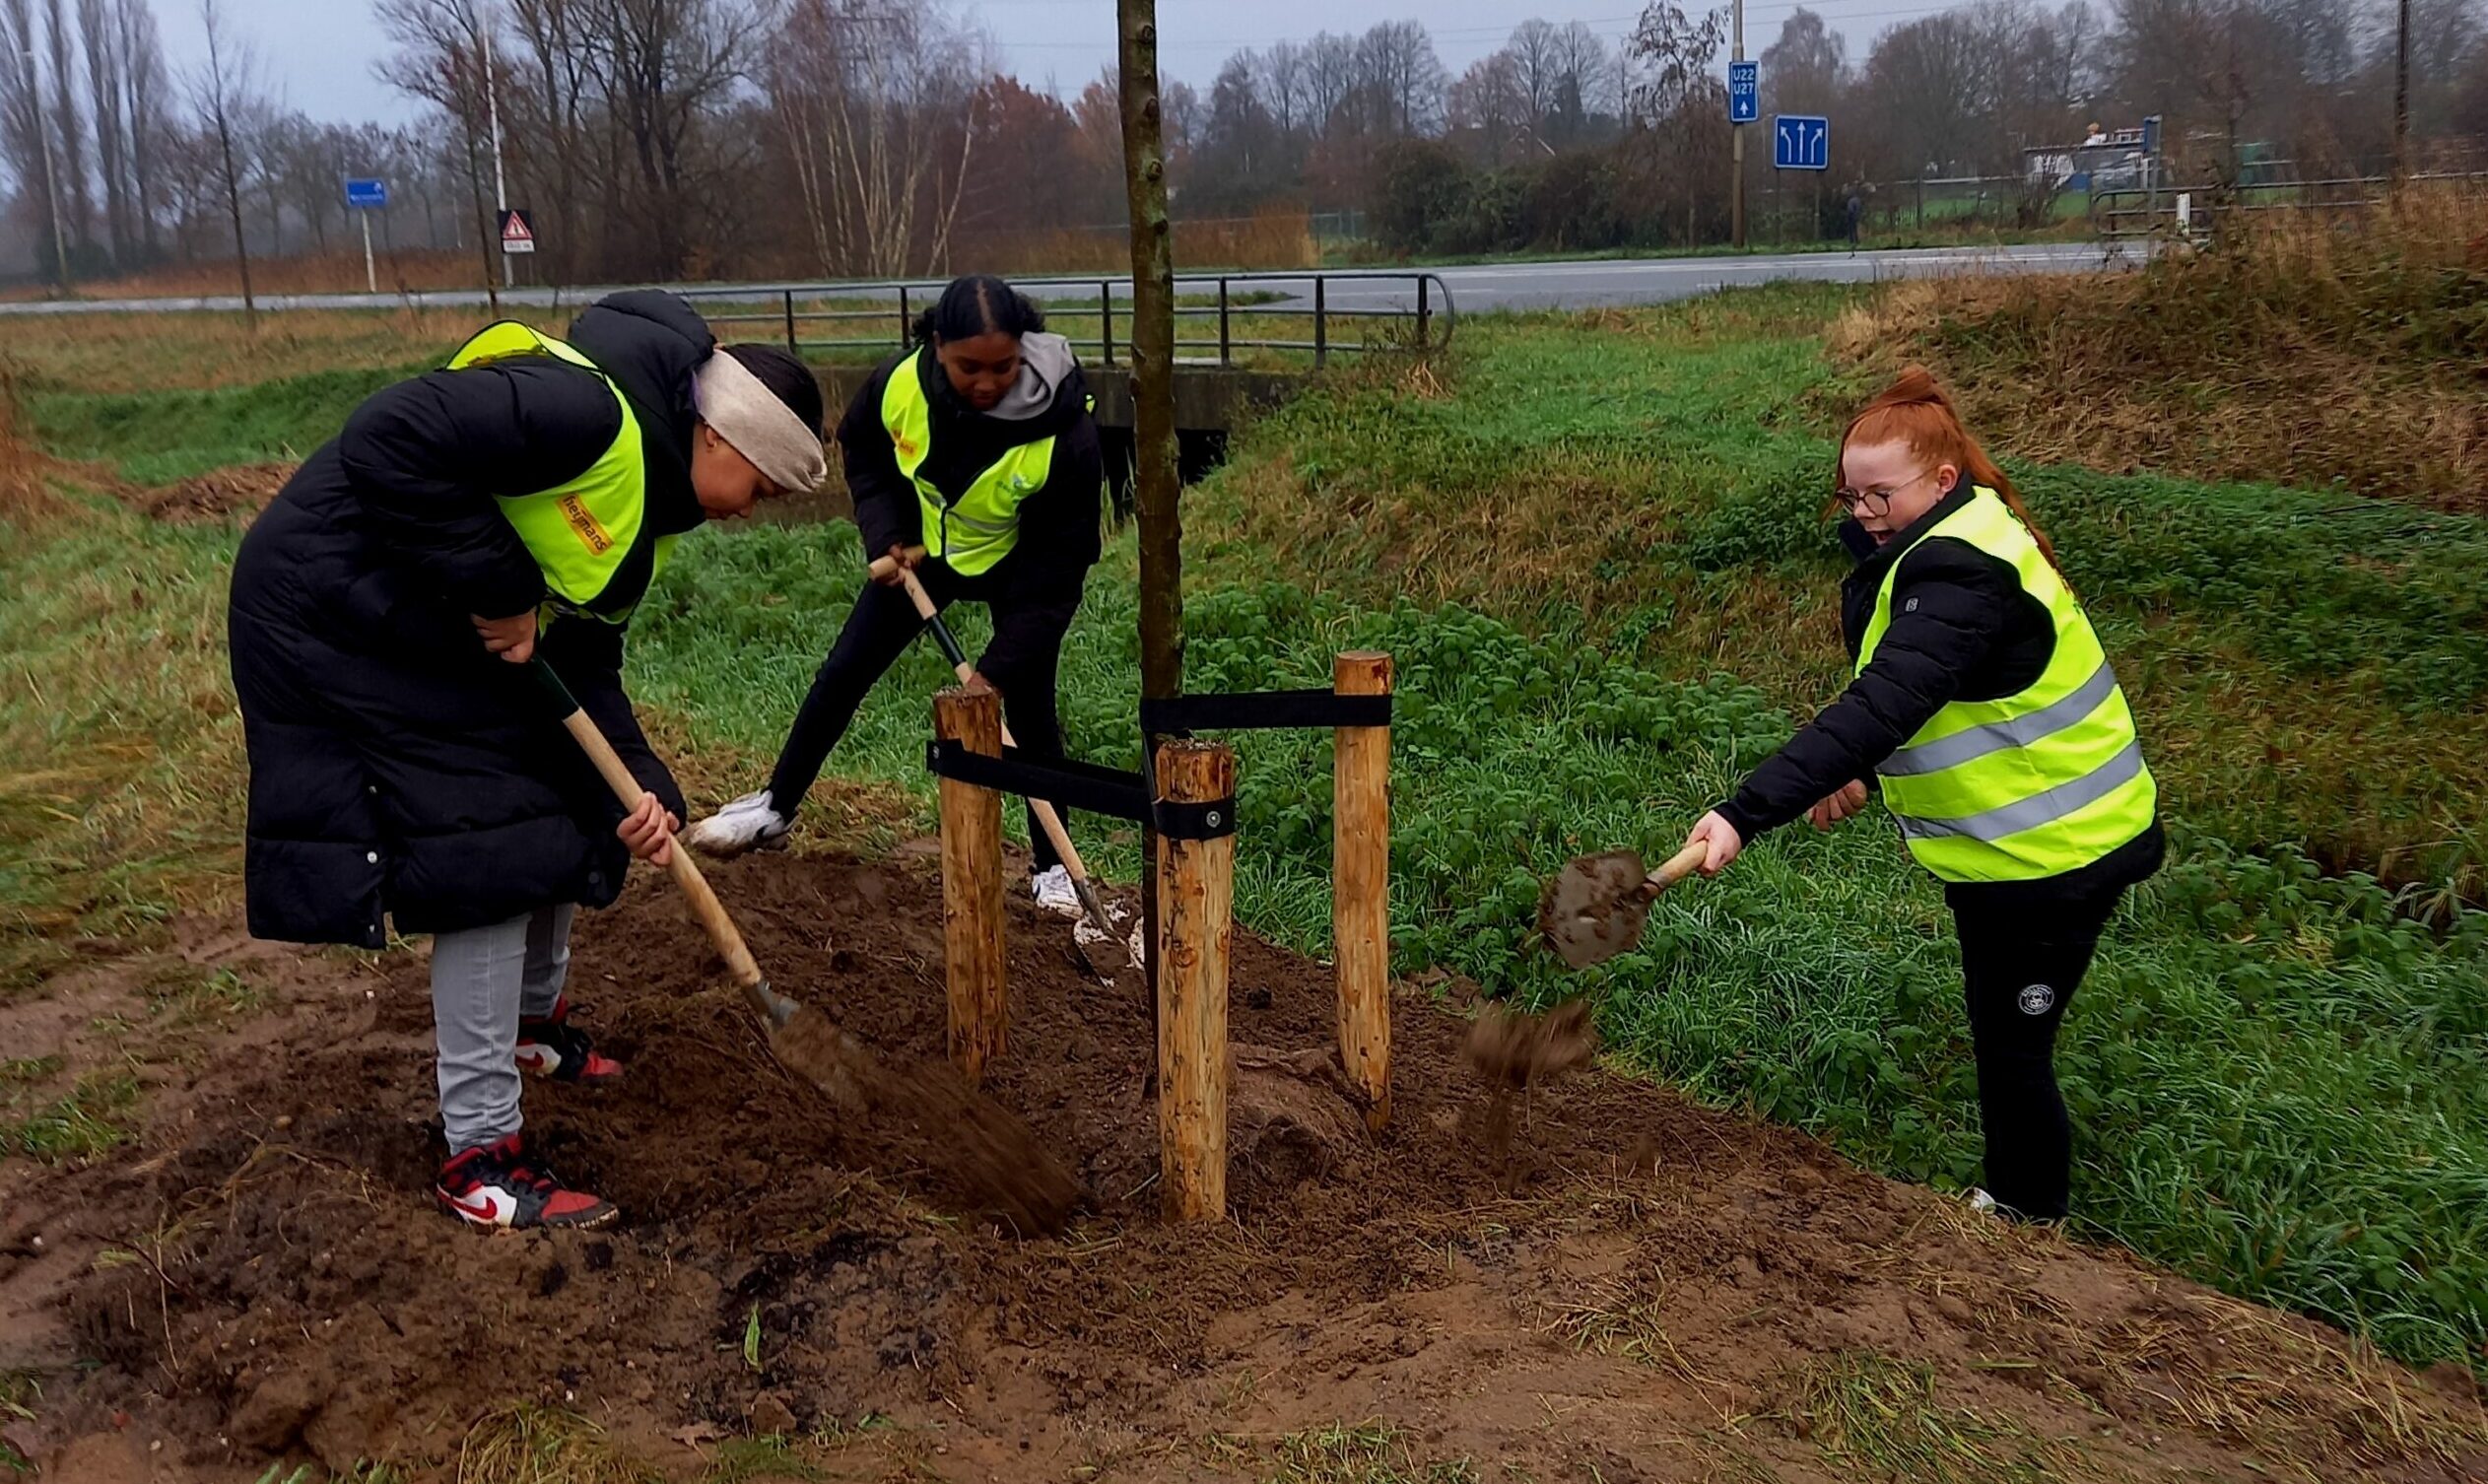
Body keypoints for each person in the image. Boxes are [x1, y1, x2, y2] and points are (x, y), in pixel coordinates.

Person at [228, 291, 827, 1230]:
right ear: (722, 436)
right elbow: (386, 436)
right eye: (763, 488)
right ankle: (480, 1159)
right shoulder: (581, 411)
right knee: (488, 839)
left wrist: (643, 787)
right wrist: (504, 587)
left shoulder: (643, 519)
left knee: (566, 795)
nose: (755, 512)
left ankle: (528, 1031)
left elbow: (583, 666)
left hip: (418, 616)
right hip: (330, 605)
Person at [1682, 367, 2164, 1224]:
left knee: (2013, 1048)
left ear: (1942, 480)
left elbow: (1881, 704)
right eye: (1849, 496)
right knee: (2003, 1034)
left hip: (2056, 858)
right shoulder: (1959, 534)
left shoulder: (1957, 577)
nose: (1863, 514)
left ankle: (2026, 1213)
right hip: (2023, 850)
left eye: (1880, 496)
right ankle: (2018, 1199)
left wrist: (1743, 813)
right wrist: (1860, 772)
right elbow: (1944, 694)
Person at [688, 274, 1104, 922]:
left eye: (1002, 367)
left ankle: (1053, 866)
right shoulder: (897, 385)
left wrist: (996, 670)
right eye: (969, 368)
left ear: (1023, 350)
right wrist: (889, 532)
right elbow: (866, 451)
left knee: (1030, 710)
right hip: (925, 552)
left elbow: (1060, 567)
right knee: (843, 672)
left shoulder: (1065, 429)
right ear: (937, 347)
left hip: (1023, 565)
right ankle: (774, 807)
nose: (986, 382)